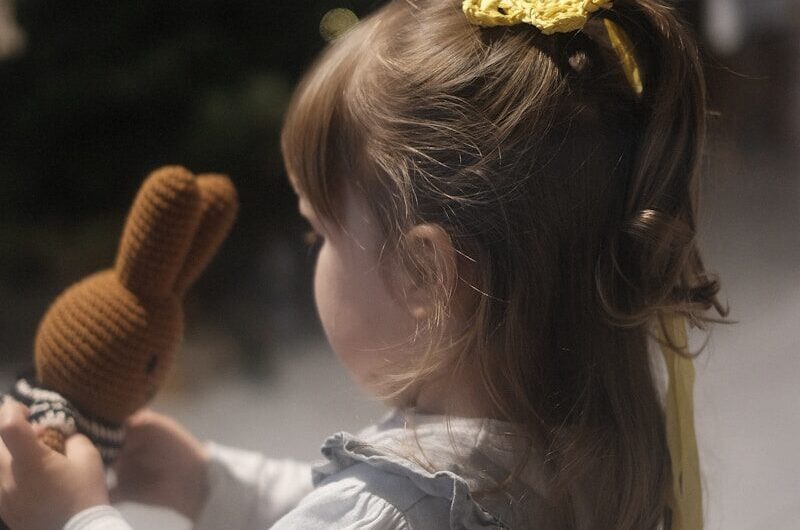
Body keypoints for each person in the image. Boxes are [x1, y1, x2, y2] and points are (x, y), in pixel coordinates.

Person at [0, 0, 727, 528]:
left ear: (423, 275)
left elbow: (366, 512)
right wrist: (210, 485)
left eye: (319, 234)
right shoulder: (585, 442)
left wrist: (74, 517)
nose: (313, 253)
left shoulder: (387, 513)